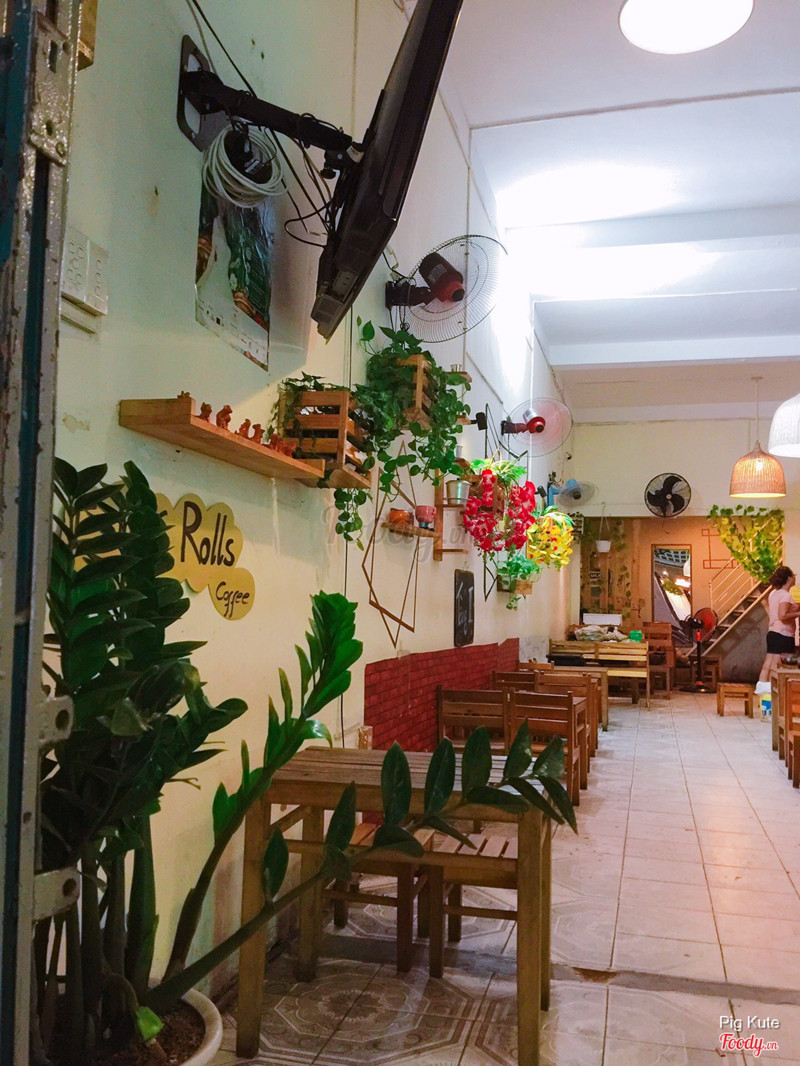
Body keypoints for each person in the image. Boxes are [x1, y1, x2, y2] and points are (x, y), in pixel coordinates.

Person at [756, 565, 800, 694]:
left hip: (773, 632)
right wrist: (798, 614)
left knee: (768, 664)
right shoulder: (786, 595)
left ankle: (762, 691)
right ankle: (773, 694)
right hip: (783, 633)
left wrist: (795, 609)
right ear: (788, 578)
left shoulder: (773, 593)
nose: (795, 579)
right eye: (793, 576)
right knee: (776, 667)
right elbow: (783, 615)